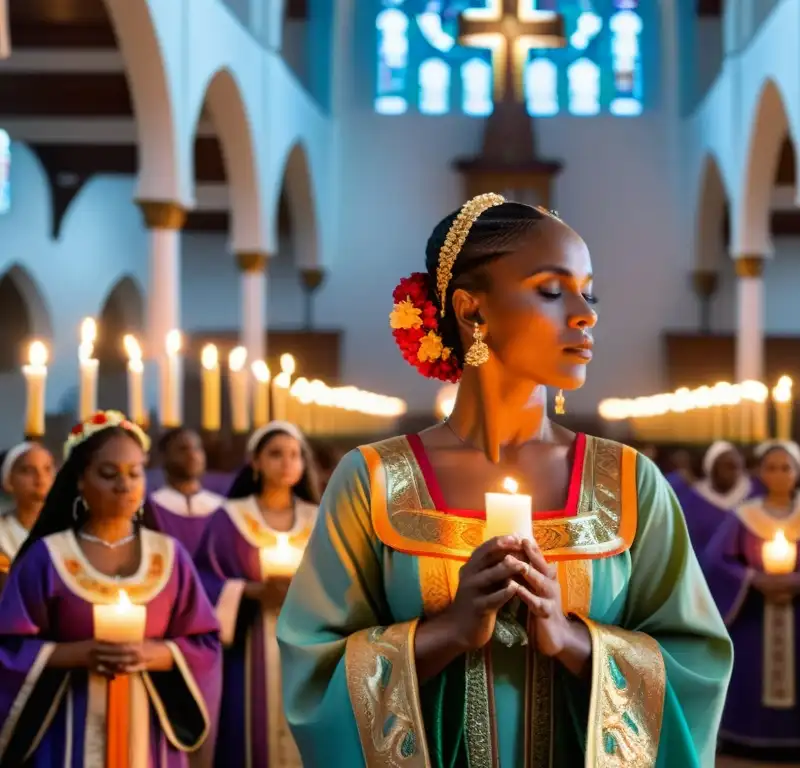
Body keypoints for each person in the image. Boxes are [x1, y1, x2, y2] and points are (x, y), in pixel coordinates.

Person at [276, 195, 733, 766]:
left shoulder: (631, 483)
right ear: (472, 311)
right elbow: (311, 671)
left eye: (588, 292)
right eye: (551, 290)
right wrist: (448, 632)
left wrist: (572, 642)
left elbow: (697, 665)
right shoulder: (373, 482)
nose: (585, 313)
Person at [0, 410, 220, 766]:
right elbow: (9, 647)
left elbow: (204, 642)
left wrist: (154, 653)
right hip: (67, 732)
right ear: (79, 480)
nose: (125, 485)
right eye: (108, 474)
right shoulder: (48, 558)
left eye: (135, 473)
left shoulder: (169, 556)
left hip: (150, 737)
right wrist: (79, 654)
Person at [193, 421, 320, 768]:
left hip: (307, 646)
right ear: (255, 461)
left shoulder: (318, 519)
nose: (287, 462)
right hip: (248, 651)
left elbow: (341, 579)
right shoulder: (230, 519)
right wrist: (249, 591)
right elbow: (202, 582)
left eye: (295, 455)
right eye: (276, 454)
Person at [703, 440, 800, 762]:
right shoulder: (745, 516)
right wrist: (751, 579)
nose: (778, 474)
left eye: (785, 467)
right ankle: (744, 736)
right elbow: (715, 562)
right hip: (754, 618)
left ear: (798, 473)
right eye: (771, 467)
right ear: (761, 472)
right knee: (750, 675)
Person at [671, 440, 757, 556]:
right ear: (712, 469)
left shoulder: (754, 494)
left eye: (735, 466)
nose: (733, 472)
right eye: (727, 466)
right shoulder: (693, 499)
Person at [149, 428, 226, 556]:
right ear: (164, 457)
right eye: (183, 449)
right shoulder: (151, 508)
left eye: (197, 448)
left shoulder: (221, 508)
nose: (192, 455)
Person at [0, 441, 54, 576]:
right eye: (28, 471)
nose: (40, 478)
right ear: (9, 481)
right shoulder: (3, 534)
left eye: (47, 469)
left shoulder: (70, 530)